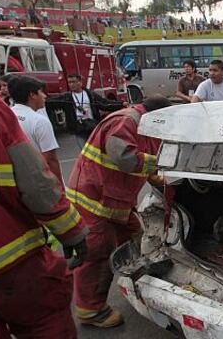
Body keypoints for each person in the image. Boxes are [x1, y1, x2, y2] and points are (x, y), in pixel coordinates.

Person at [0, 93, 88, 338]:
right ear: (32, 94)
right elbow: (36, 183)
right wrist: (72, 232)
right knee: (45, 324)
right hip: (10, 263)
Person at [68, 95, 172, 328]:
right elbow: (125, 158)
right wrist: (164, 162)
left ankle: (140, 281)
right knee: (97, 253)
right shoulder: (125, 121)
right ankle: (91, 311)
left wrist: (171, 188)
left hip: (115, 202)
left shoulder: (146, 128)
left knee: (137, 237)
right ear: (156, 115)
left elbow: (150, 170)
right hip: (92, 199)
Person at [9, 76, 64, 184]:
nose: (44, 96)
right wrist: (60, 185)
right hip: (39, 181)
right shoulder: (40, 121)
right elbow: (50, 159)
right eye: (41, 92)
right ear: (32, 95)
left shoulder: (7, 114)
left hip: (15, 179)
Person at [59, 73, 126, 140]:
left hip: (92, 126)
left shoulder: (90, 94)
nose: (71, 84)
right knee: (85, 150)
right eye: (69, 82)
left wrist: (121, 104)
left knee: (96, 149)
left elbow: (105, 103)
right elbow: (53, 102)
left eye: (73, 82)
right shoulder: (67, 97)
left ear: (80, 82)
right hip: (79, 129)